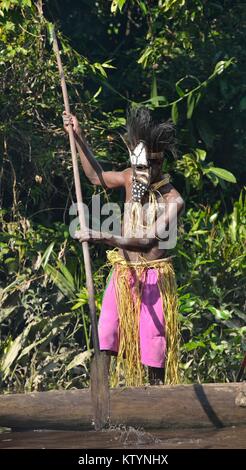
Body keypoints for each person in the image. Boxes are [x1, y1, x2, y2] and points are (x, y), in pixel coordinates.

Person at [63, 106, 185, 386]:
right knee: (106, 335)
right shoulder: (131, 178)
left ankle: (157, 403)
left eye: (146, 168)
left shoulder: (173, 200)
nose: (140, 174)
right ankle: (100, 401)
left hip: (154, 279)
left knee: (153, 345)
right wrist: (79, 137)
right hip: (123, 274)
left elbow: (146, 241)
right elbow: (97, 178)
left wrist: (101, 236)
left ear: (158, 165)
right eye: (137, 167)